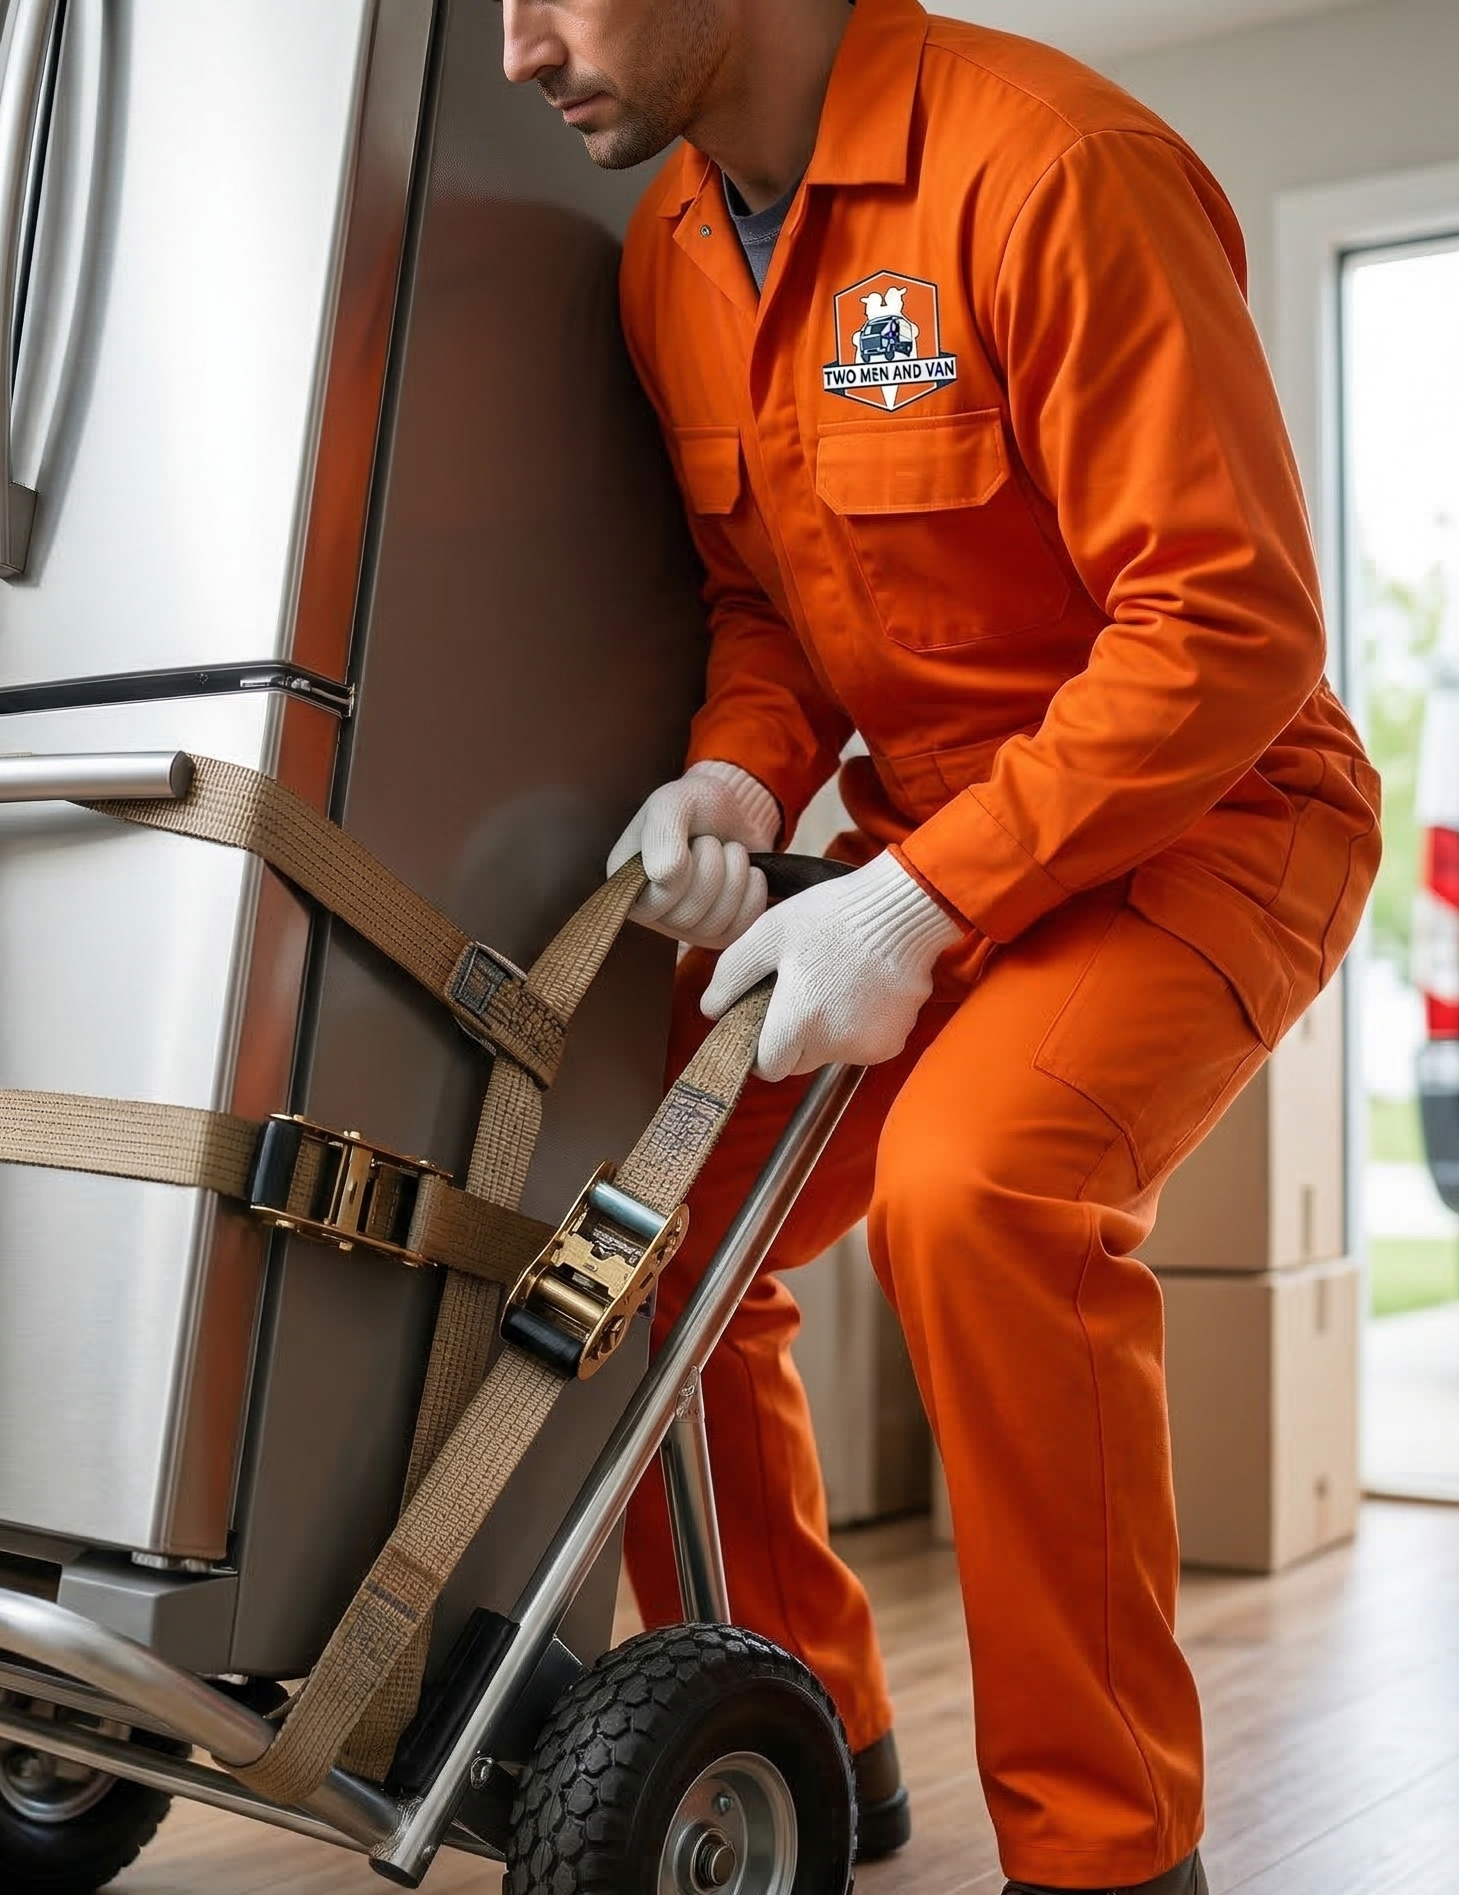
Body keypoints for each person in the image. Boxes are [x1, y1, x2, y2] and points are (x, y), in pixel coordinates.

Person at [499, 3, 1382, 1892]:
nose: (515, 47)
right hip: (935, 831)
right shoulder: (671, 249)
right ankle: (804, 1734)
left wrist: (913, 901)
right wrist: (740, 783)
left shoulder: (1051, 167)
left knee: (983, 1191)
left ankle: (1105, 1853)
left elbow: (1225, 630)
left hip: (1211, 817)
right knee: (628, 1226)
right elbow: (768, 602)